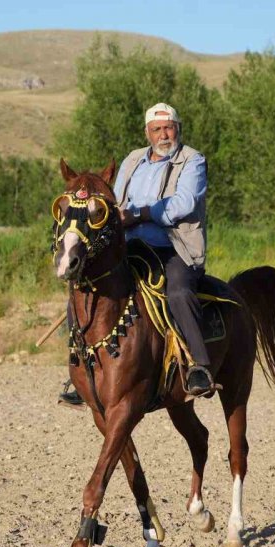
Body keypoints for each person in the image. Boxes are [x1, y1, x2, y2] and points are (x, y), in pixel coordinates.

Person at [60, 102, 215, 404]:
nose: (163, 134)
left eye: (168, 127)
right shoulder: (133, 160)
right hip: (131, 247)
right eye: (156, 129)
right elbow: (114, 202)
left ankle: (199, 365)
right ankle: (82, 367)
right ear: (147, 133)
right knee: (83, 290)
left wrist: (139, 214)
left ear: (178, 128)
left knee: (180, 293)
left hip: (174, 249)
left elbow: (182, 204)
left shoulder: (193, 161)